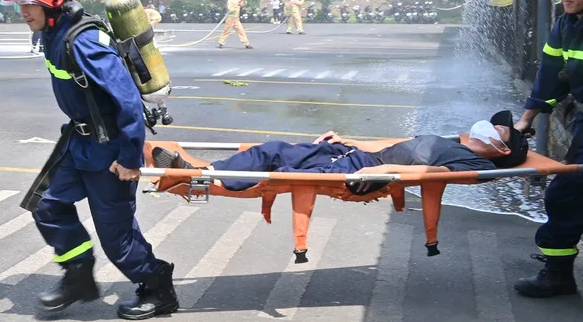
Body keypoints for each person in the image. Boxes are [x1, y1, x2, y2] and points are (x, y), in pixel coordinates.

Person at [2, 0, 178, 320]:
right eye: (18, 4)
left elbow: (128, 103)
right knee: (48, 206)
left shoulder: (84, 42)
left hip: (109, 149)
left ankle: (157, 286)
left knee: (116, 237)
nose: (22, 12)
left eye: (27, 3)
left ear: (50, 0)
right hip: (79, 142)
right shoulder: (52, 34)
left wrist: (130, 160)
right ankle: (78, 275)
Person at [154, 111, 529, 194]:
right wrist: (347, 138)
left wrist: (386, 173)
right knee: (275, 150)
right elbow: (385, 145)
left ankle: (200, 180)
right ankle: (203, 169)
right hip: (357, 157)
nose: (489, 124)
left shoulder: (474, 161)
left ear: (502, 147)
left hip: (366, 173)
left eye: (498, 128)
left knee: (286, 174)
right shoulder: (454, 140)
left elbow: (435, 176)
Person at [513, 0, 583, 298]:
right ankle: (558, 274)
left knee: (568, 191)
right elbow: (551, 77)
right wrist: (525, 120)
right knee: (567, 193)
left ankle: (558, 276)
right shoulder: (565, 25)